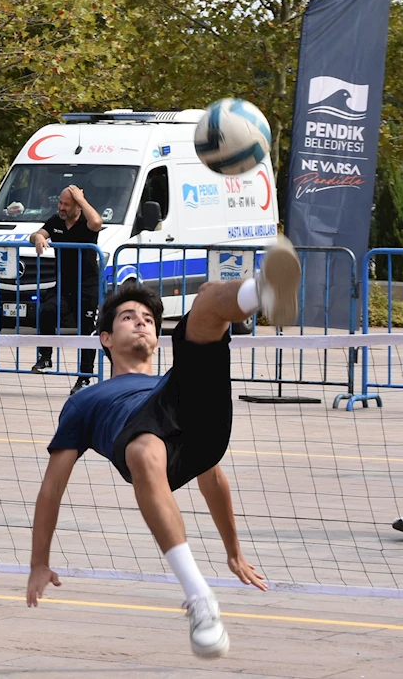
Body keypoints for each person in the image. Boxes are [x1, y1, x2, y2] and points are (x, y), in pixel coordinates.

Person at [26, 237, 302, 658]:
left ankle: (262, 291)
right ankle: (200, 600)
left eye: (148, 321)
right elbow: (51, 488)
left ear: (156, 337)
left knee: (207, 300)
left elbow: (210, 474)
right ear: (104, 339)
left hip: (192, 417)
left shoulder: (168, 378)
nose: (141, 324)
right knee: (142, 450)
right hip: (142, 437)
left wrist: (234, 552)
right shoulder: (85, 401)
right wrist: (38, 562)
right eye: (128, 318)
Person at [29, 185, 103, 395]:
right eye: (60, 203)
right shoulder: (56, 221)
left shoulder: (87, 222)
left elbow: (97, 222)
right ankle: (45, 357)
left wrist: (81, 199)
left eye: (66, 204)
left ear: (78, 206)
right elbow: (35, 235)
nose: (61, 207)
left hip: (87, 285)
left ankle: (85, 377)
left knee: (87, 331)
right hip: (63, 284)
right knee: (47, 310)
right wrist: (39, 237)